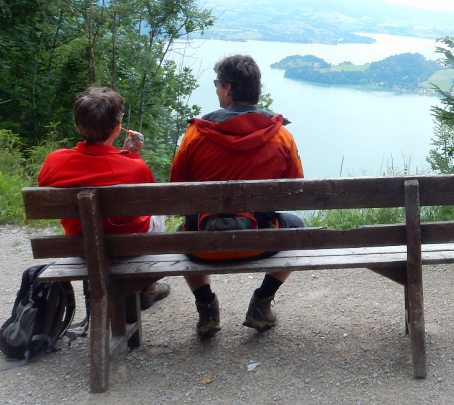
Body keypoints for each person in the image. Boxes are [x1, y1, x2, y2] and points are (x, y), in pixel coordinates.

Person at [169, 54, 305, 336]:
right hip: (261, 241)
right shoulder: (281, 136)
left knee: (184, 229)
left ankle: (206, 306)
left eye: (217, 84)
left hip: (203, 246)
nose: (216, 89)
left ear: (228, 88)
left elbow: (176, 190)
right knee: (298, 229)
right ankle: (262, 302)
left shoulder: (195, 134)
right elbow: (293, 191)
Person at [38, 86, 170, 310]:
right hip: (129, 246)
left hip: (81, 245)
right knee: (158, 209)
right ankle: (145, 286)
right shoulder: (135, 167)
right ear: (118, 128)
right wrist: (132, 156)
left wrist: (122, 155)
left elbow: (90, 167)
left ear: (79, 125)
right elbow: (149, 197)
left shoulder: (55, 161)